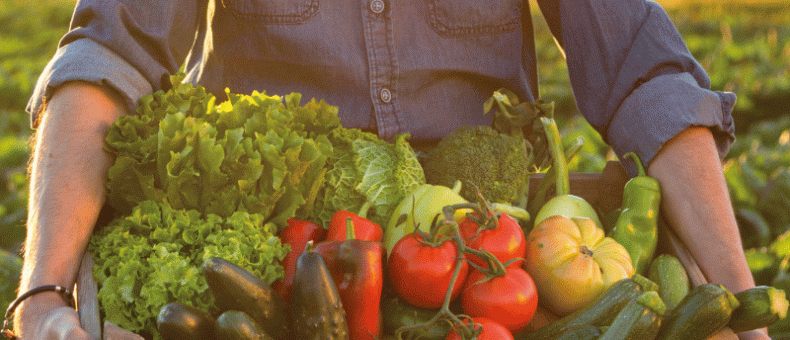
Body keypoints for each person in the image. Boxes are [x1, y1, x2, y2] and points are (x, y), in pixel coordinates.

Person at [10, 0, 767, 339]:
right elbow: (104, 60)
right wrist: (42, 294)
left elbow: (650, 82)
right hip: (269, 259)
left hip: (482, 257)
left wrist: (738, 302)